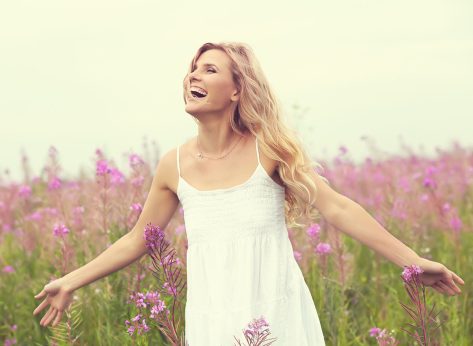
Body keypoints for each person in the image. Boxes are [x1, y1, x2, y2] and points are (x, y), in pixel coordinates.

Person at [33, 42, 465, 345]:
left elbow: (337, 206)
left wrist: (413, 261)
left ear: (237, 90)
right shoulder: (173, 164)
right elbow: (136, 240)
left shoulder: (269, 150)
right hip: (211, 319)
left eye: (210, 69)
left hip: (275, 313)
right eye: (193, 68)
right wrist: (70, 280)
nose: (193, 76)